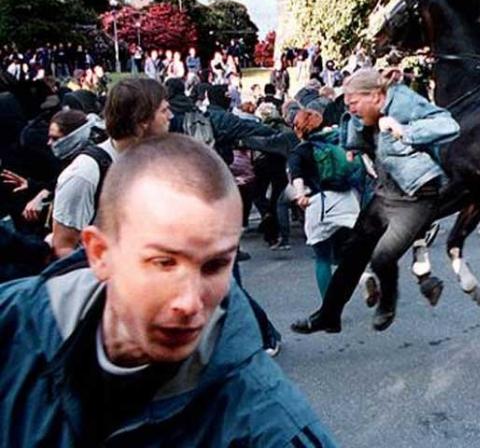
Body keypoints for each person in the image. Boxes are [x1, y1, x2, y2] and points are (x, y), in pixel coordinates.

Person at [0, 134, 336, 446]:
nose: (190, 304)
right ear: (100, 254)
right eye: (164, 262)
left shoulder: (265, 420)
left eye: (215, 266)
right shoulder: (14, 328)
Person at [291, 68, 458, 333]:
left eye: (355, 103)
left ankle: (388, 302)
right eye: (348, 104)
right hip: (385, 193)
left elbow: (449, 125)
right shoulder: (362, 112)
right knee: (352, 254)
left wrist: (404, 130)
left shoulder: (403, 102)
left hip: (416, 197)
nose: (352, 109)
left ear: (377, 97)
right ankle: (328, 315)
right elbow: (351, 125)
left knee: (382, 258)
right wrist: (350, 147)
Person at [51, 79, 172, 258]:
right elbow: (63, 246)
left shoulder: (156, 161)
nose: (170, 116)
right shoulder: (85, 173)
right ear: (142, 120)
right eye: (164, 110)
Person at [289, 109, 359, 298]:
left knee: (322, 257)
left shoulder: (300, 151)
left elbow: (296, 176)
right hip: (349, 198)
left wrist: (300, 195)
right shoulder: (337, 140)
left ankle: (329, 308)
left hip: (320, 202)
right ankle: (365, 275)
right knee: (356, 248)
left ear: (298, 129)